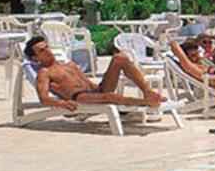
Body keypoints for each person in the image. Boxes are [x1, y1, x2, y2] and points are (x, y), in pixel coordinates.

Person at [25, 33, 161, 113]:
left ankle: (147, 91)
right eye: (42, 50)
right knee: (110, 96)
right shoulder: (44, 72)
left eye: (47, 47)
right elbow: (43, 98)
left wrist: (98, 89)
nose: (48, 51)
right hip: (79, 97)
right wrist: (62, 104)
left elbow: (88, 83)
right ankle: (146, 102)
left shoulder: (69, 64)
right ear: (35, 58)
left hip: (94, 91)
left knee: (120, 58)